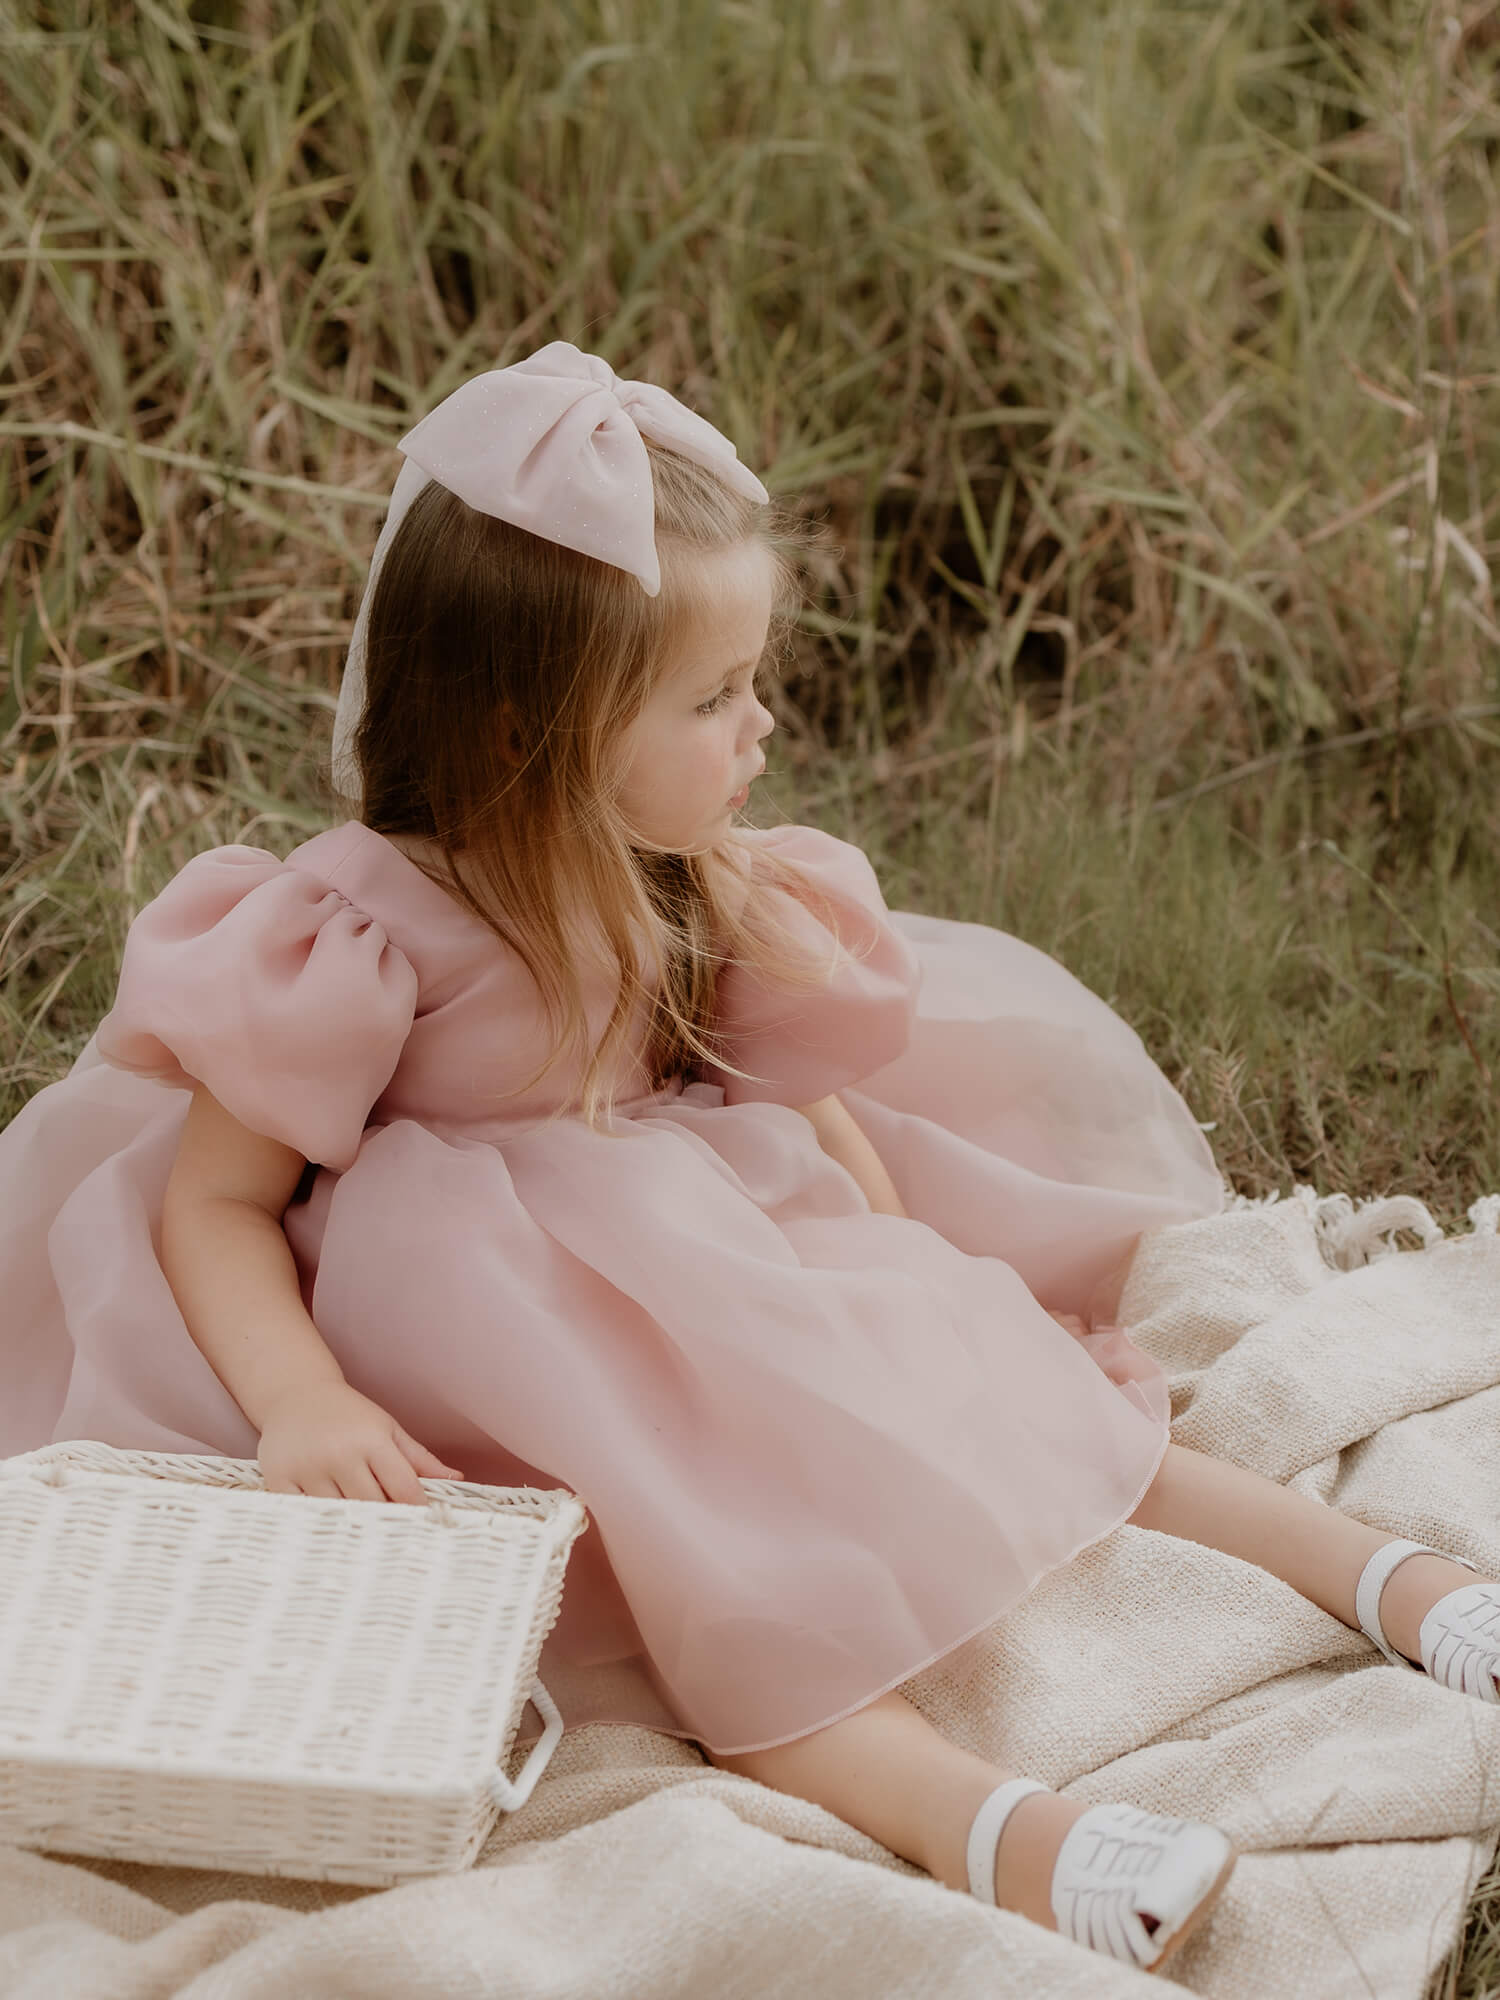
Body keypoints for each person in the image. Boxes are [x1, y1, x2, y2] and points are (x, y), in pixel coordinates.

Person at [3, 342, 1496, 1975]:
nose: (762, 728)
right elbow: (213, 1203)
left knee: (1032, 1400)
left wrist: (890, 1248)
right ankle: (988, 1828)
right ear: (533, 731)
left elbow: (787, 1100)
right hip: (494, 1345)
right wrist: (304, 1397)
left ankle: (1392, 1579)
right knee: (721, 1598)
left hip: (716, 1234)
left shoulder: (685, 878)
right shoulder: (358, 922)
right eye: (713, 700)